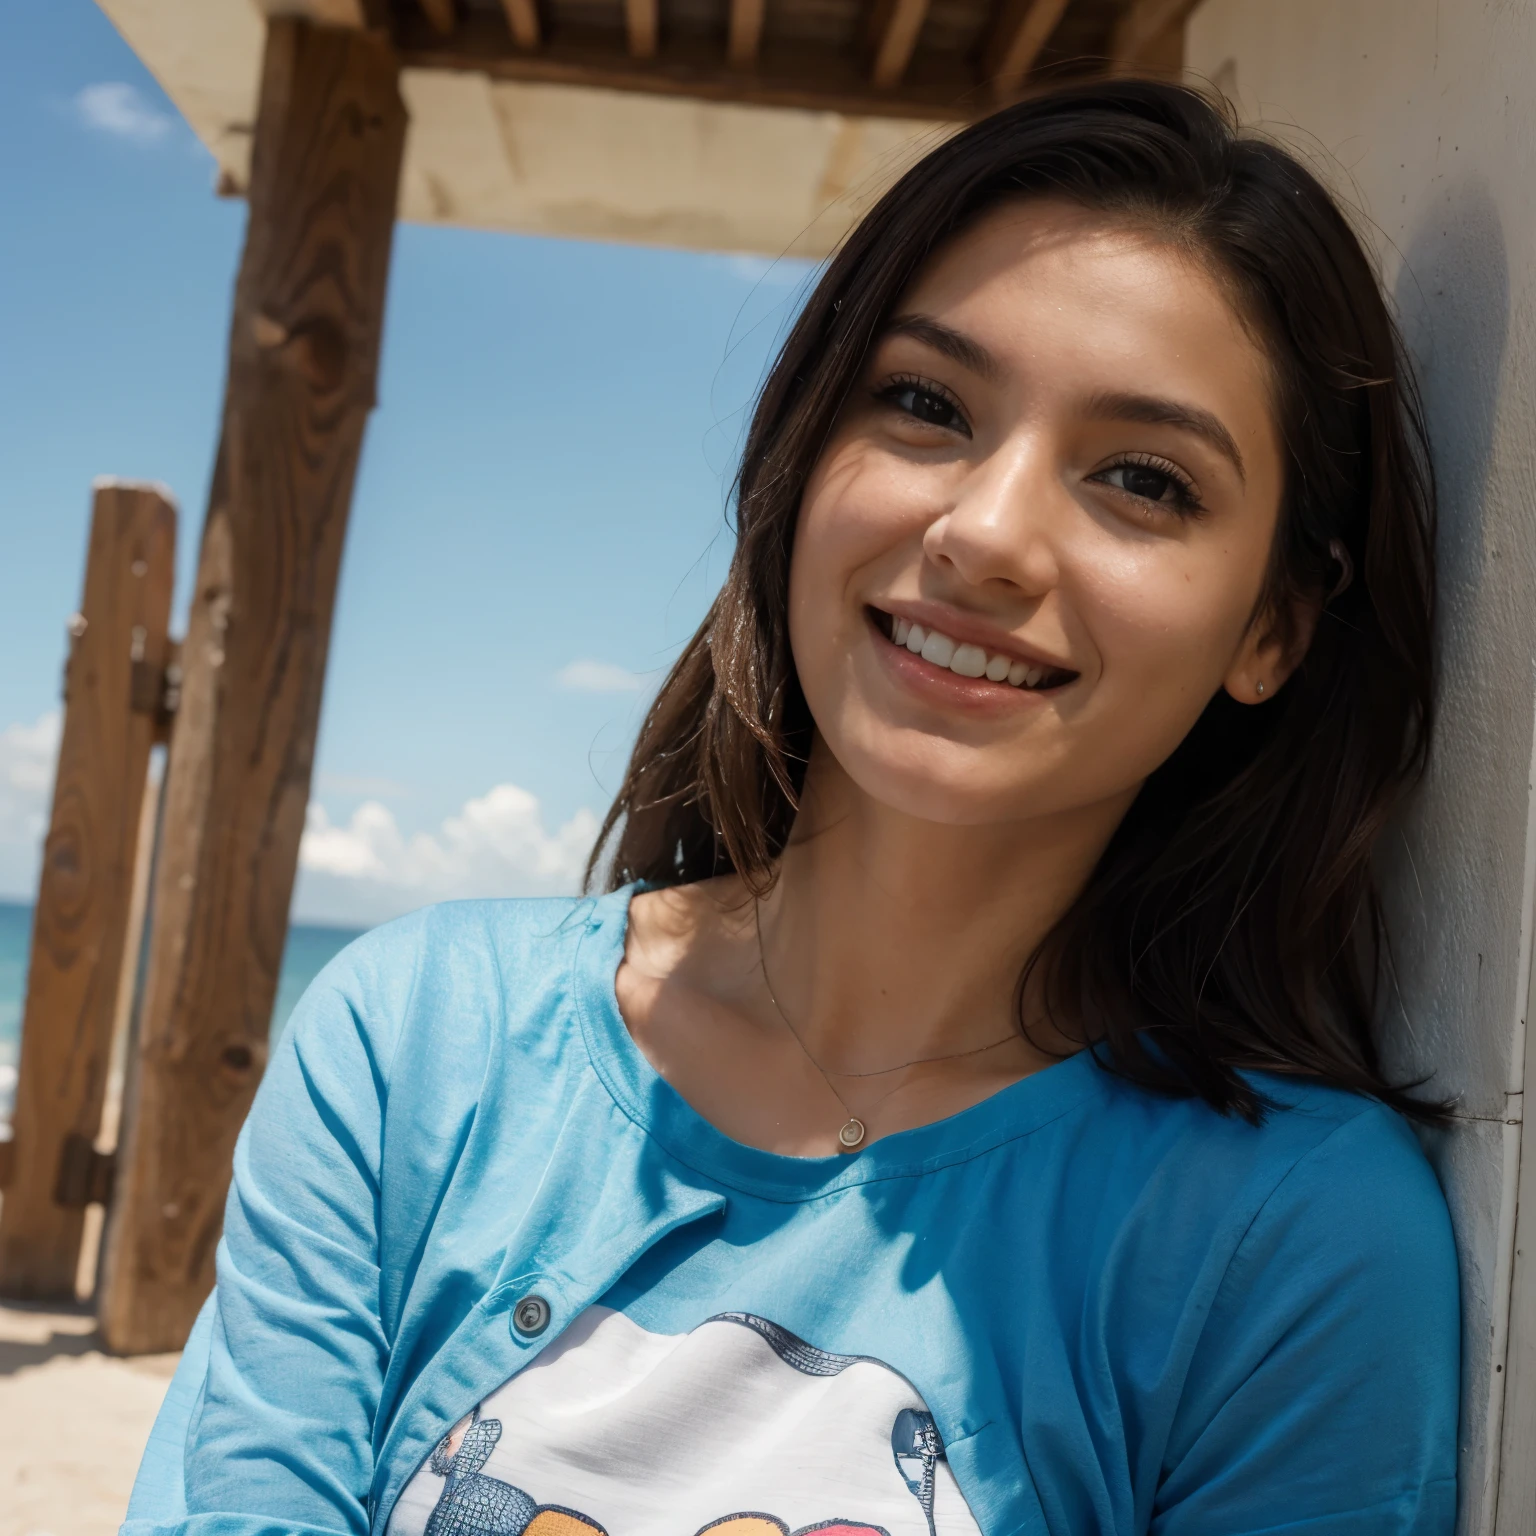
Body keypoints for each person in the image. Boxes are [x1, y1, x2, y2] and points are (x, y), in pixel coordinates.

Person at [122, 79, 1459, 1536]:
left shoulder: (1295, 1253)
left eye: (1143, 479)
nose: (988, 533)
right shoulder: (416, 1053)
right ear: (803, 454)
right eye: (925, 404)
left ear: (1275, 625)